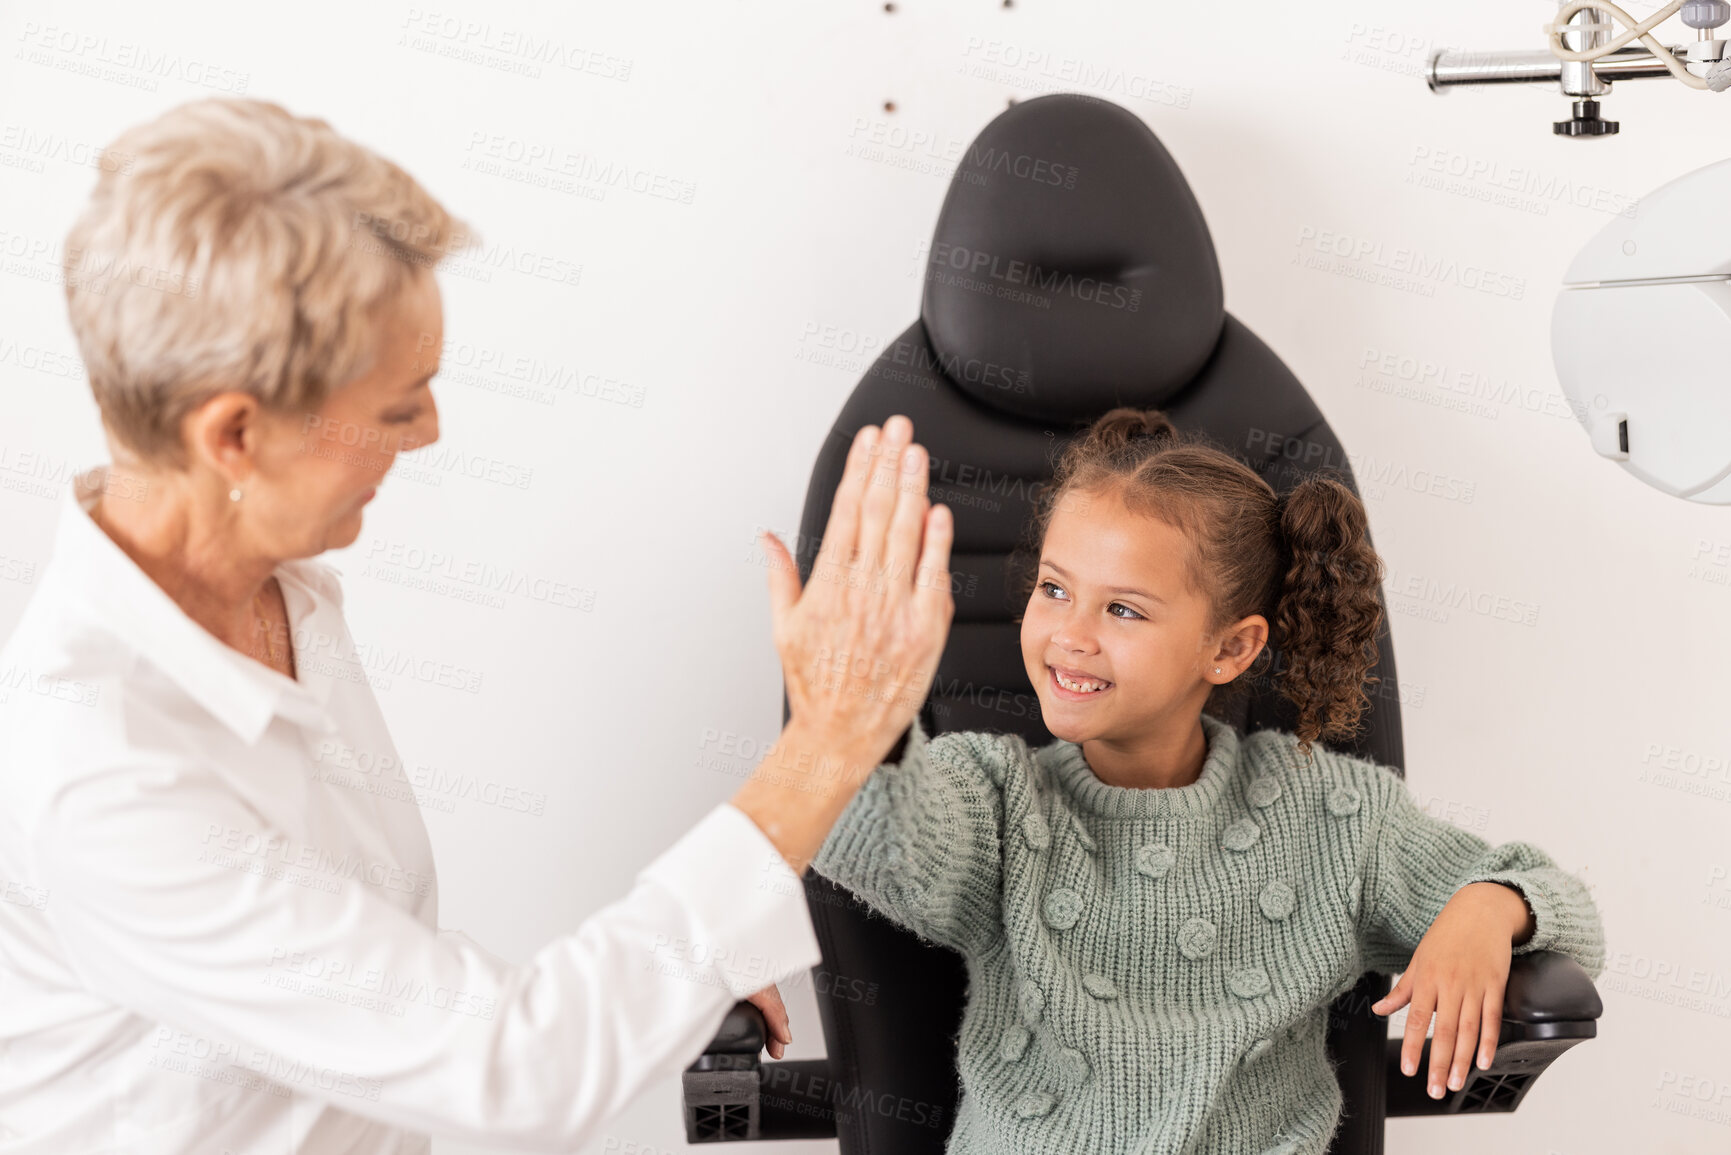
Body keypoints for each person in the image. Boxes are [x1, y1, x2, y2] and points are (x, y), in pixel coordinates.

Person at [0, 96, 955, 1153]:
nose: (431, 432)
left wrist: (679, 972)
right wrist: (828, 740)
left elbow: (382, 983)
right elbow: (511, 1071)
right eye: (401, 405)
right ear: (235, 434)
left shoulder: (278, 591)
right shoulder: (103, 774)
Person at [808, 408, 1608, 1154]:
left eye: (1122, 609)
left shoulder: (1334, 816)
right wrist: (858, 710)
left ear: (1229, 649)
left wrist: (1486, 905)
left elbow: (1567, 910)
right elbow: (877, 837)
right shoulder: (992, 795)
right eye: (1053, 589)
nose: (1069, 635)